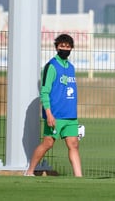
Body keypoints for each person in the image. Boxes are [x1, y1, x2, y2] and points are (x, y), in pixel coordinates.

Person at [24, 34, 82, 177]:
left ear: (72, 48)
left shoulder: (71, 67)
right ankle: (30, 171)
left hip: (71, 115)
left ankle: (79, 177)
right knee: (48, 143)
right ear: (56, 47)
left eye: (68, 46)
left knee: (73, 144)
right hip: (56, 115)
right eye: (62, 46)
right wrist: (48, 113)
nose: (65, 49)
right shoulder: (51, 66)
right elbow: (44, 92)